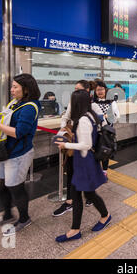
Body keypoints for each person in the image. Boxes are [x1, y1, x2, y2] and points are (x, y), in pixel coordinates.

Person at [0, 74, 41, 235]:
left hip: (18, 154)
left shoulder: (30, 107)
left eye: (15, 87)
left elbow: (18, 132)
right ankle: (7, 214)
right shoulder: (15, 102)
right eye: (12, 86)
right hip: (5, 151)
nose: (12, 90)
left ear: (26, 89)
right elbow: (6, 119)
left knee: (15, 187)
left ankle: (24, 218)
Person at [54, 90, 111, 242]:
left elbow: (86, 144)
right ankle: (75, 229)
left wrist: (65, 144)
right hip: (84, 162)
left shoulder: (84, 120)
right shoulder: (90, 114)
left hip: (85, 163)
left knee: (88, 194)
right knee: (78, 194)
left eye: (72, 102)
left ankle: (105, 216)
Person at [54, 80, 100, 217]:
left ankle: (94, 204)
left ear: (86, 91)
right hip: (74, 145)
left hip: (85, 146)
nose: (75, 92)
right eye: (74, 89)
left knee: (85, 176)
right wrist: (63, 127)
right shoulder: (72, 103)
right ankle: (70, 202)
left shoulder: (93, 107)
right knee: (72, 173)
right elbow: (66, 117)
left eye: (78, 89)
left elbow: (95, 131)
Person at [93, 80, 120, 175]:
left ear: (105, 90)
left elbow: (117, 116)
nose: (100, 91)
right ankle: (96, 171)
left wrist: (107, 116)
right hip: (94, 132)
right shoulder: (93, 102)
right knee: (95, 151)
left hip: (106, 132)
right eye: (97, 90)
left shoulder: (111, 102)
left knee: (105, 152)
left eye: (102, 89)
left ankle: (104, 172)